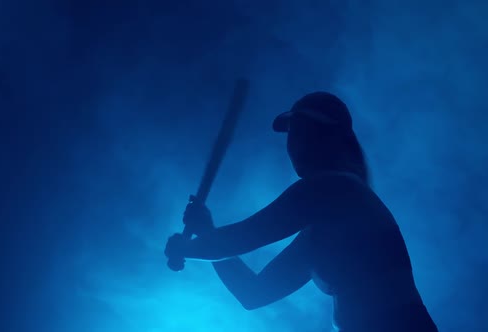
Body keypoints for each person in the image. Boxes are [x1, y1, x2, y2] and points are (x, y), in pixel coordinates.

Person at [164, 92, 438, 332]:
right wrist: (206, 235)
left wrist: (185, 247)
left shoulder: (335, 187)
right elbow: (254, 294)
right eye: (292, 135)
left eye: (301, 132)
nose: (292, 145)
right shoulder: (324, 231)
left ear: (327, 138)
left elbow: (247, 236)